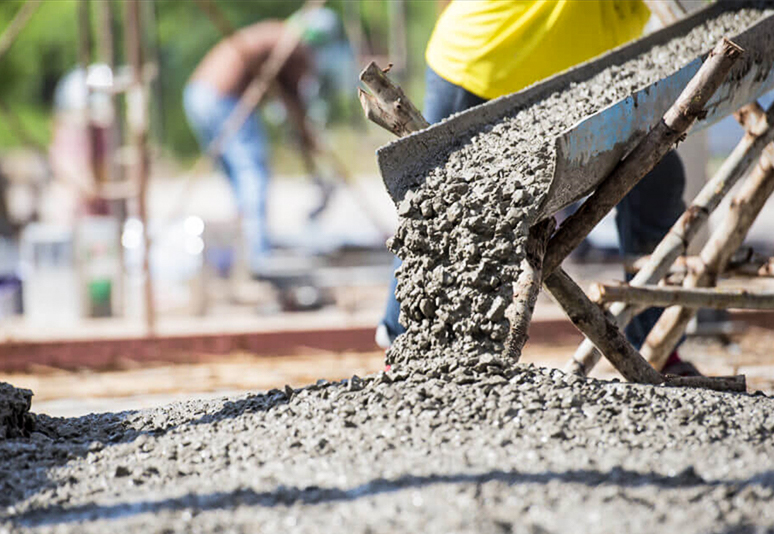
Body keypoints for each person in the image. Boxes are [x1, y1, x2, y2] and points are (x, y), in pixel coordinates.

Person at [376, 0, 695, 375]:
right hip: (485, 64)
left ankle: (657, 345)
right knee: (445, 207)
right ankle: (408, 351)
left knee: (656, 179)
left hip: (583, 78)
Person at [183, 10, 338, 275]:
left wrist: (303, 137)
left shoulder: (275, 36)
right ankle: (258, 254)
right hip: (224, 98)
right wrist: (308, 140)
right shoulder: (292, 45)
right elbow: (295, 100)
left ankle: (246, 247)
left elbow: (289, 100)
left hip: (197, 95)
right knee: (252, 172)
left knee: (238, 180)